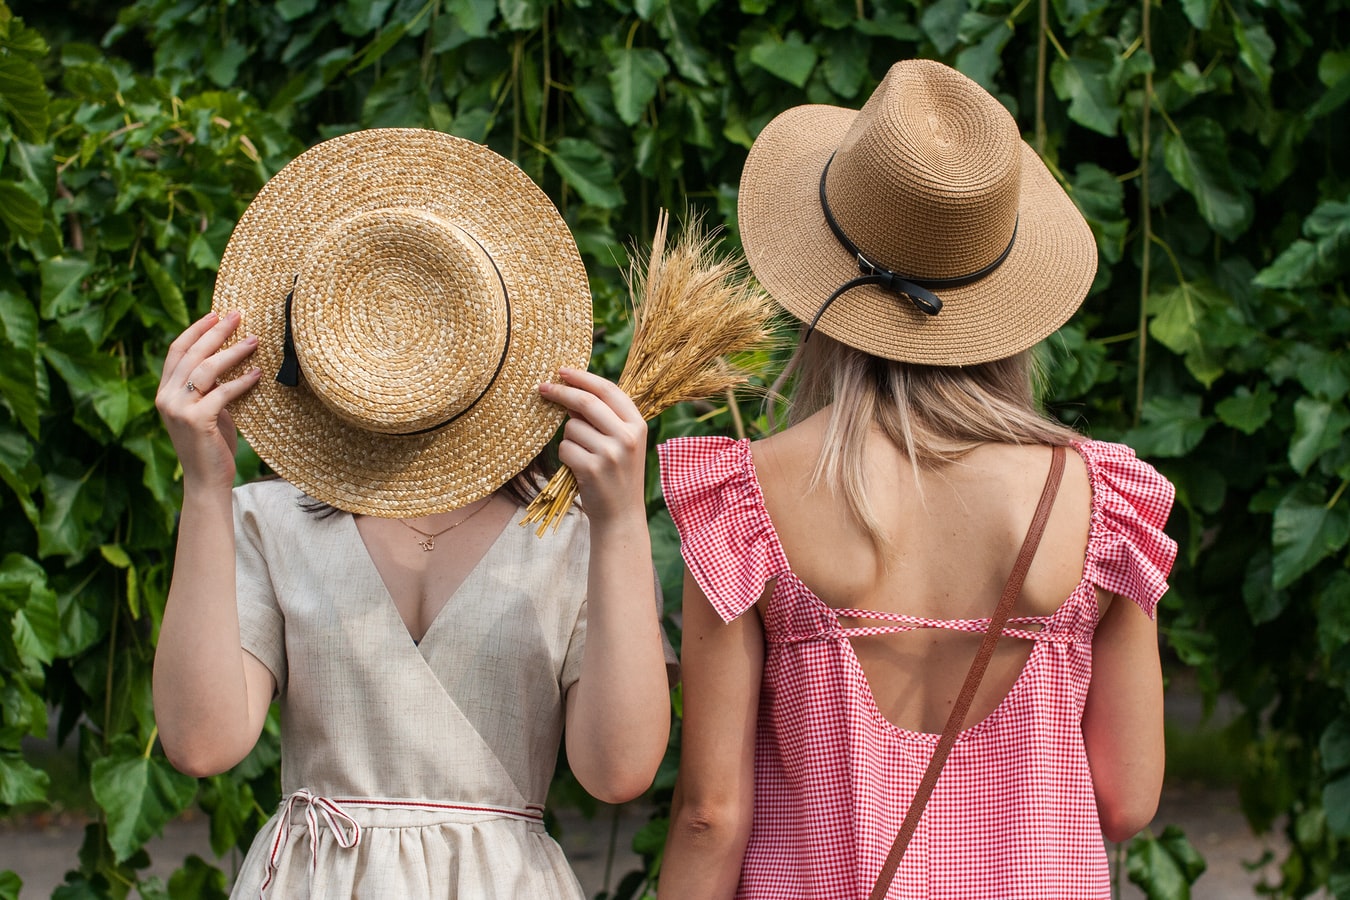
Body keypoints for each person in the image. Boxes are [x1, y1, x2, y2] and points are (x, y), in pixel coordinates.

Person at [656, 60, 1177, 899]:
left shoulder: (746, 502)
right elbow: (1125, 798)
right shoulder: (1101, 506)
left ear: (822, 276)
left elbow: (710, 814)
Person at [152, 128, 675, 898]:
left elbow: (619, 771)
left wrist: (624, 524)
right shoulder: (268, 521)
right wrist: (204, 488)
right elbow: (201, 743)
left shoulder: (577, 539)